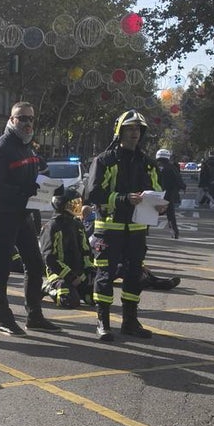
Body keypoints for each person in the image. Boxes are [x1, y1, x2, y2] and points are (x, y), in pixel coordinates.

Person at [84, 110, 164, 341]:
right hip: (109, 230)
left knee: (133, 276)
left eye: (138, 129)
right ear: (120, 131)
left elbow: (157, 192)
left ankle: (130, 322)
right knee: (105, 275)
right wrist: (122, 199)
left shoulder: (147, 163)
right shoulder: (104, 160)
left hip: (137, 230)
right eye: (129, 128)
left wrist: (161, 205)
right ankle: (103, 323)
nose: (134, 133)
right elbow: (93, 193)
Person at [0, 102, 59, 336]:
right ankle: (3, 319)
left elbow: (36, 178)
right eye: (22, 118)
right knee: (0, 269)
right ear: (11, 119)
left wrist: (52, 189)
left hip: (24, 215)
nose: (27, 123)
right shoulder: (1, 148)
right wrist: (27, 193)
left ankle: (34, 315)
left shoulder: (28, 147)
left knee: (35, 265)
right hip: (2, 217)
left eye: (31, 119)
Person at [39, 186, 94, 309]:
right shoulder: (51, 227)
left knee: (95, 297)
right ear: (62, 205)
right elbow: (49, 258)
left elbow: (86, 251)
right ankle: (48, 287)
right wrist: (70, 276)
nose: (78, 206)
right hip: (59, 274)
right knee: (69, 301)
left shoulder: (77, 225)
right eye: (74, 203)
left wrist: (90, 271)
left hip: (79, 273)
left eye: (79, 203)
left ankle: (77, 290)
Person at [153, 148, 185, 238]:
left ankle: (145, 231)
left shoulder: (152, 166)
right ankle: (174, 232)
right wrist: (182, 187)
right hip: (168, 194)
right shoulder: (171, 167)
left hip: (154, 194)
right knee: (170, 215)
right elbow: (178, 180)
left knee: (150, 212)